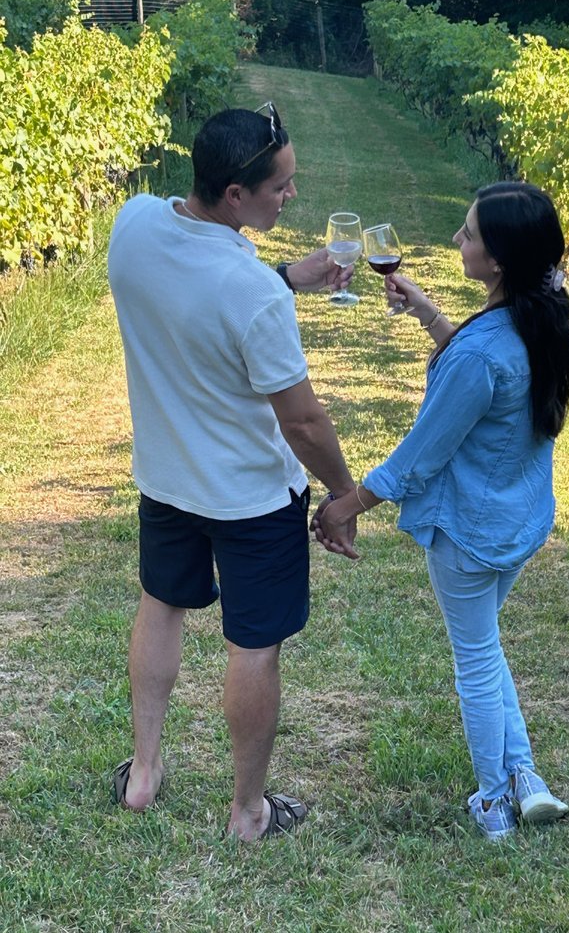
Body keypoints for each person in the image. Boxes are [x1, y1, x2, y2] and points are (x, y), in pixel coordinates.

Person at [107, 103, 358, 842]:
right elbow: (303, 422)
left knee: (161, 605)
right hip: (251, 497)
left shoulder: (134, 224)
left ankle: (144, 773)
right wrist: (345, 492)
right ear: (236, 194)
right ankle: (248, 812)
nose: (291, 196)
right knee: (253, 646)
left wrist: (284, 277)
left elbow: (194, 291)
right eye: (280, 186)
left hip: (165, 479)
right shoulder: (252, 294)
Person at [316, 181, 569, 841]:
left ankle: (493, 802)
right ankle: (525, 777)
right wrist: (430, 313)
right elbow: (485, 376)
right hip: (517, 523)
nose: (457, 239)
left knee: (475, 663)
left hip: (469, 534)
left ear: (500, 260)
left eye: (469, 233)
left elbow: (419, 457)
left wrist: (347, 505)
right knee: (486, 647)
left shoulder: (483, 352)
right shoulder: (540, 321)